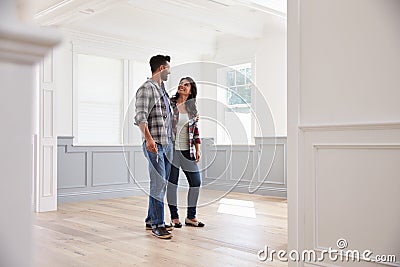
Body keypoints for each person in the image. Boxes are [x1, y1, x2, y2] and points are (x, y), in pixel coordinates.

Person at [134, 55, 174, 239]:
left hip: (167, 144)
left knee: (162, 184)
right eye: (168, 68)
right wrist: (149, 140)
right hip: (155, 144)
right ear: (160, 68)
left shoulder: (163, 90)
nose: (169, 72)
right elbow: (140, 118)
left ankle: (151, 219)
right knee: (158, 184)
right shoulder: (146, 89)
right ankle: (158, 225)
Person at [167, 77, 205, 228]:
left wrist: (198, 149)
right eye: (180, 83)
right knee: (172, 184)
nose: (182, 86)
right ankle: (174, 217)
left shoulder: (192, 108)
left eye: (186, 84)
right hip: (172, 151)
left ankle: (191, 216)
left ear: (191, 90)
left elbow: (195, 131)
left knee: (196, 182)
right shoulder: (169, 103)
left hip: (187, 151)